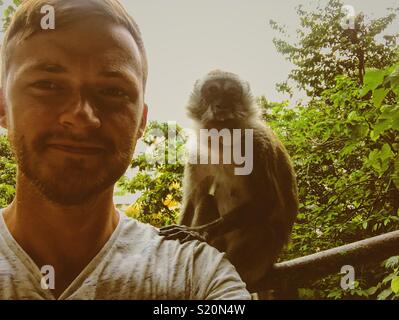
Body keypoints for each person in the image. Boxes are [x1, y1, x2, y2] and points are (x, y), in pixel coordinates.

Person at [0, 0, 251, 300]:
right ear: (3, 106)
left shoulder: (196, 275)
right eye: (48, 85)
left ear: (141, 121)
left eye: (113, 91)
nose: (82, 117)